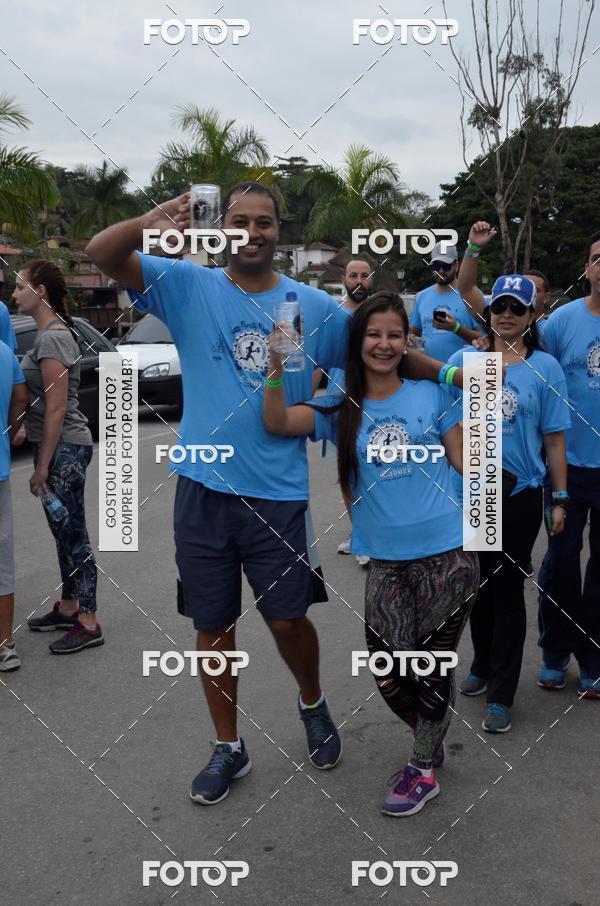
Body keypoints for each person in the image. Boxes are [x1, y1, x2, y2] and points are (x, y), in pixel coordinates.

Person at [86, 182, 463, 806]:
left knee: (288, 619)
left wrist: (455, 371)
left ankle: (312, 703)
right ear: (222, 227)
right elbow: (102, 253)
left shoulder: (310, 306)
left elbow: (383, 353)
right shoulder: (185, 283)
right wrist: (154, 219)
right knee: (212, 626)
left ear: (278, 232)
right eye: (240, 221)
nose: (252, 232)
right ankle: (227, 746)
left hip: (279, 496)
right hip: (201, 489)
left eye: (264, 223)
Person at [263, 291, 480, 817]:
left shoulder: (430, 394)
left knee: (431, 667)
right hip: (384, 558)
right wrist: (274, 367)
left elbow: (465, 459)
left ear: (408, 341)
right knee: (389, 671)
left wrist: (490, 430)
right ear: (358, 342)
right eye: (373, 334)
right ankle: (430, 731)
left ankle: (422, 767)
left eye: (394, 335)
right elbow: (277, 422)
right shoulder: (341, 404)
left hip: (449, 555)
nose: (384, 344)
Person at [449, 275, 570, 732]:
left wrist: (559, 499)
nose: (505, 314)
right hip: (475, 492)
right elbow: (445, 423)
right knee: (476, 586)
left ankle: (502, 692)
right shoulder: (467, 360)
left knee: (507, 587)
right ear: (487, 312)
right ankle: (481, 663)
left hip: (520, 496)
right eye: (498, 306)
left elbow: (554, 441)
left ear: (533, 315)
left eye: (516, 308)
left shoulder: (546, 369)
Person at [12, 260, 102, 654]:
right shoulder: (49, 335)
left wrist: (43, 466)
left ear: (40, 291)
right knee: (62, 533)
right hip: (58, 446)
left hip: (64, 449)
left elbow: (57, 408)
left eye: (19, 287)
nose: (13, 294)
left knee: (74, 535)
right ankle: (68, 607)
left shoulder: (53, 338)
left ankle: (88, 620)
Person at [536, 232, 600, 698]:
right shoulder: (561, 321)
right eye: (598, 258)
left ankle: (593, 657)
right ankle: (556, 651)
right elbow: (536, 376)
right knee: (560, 564)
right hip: (566, 469)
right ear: (587, 267)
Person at [329, 258, 374, 567]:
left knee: (373, 469)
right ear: (344, 278)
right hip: (339, 403)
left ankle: (374, 533)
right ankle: (361, 533)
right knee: (347, 471)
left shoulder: (377, 314)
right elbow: (317, 361)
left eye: (364, 275)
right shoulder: (331, 315)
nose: (358, 280)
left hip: (374, 401)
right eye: (353, 275)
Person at [0, 339, 28, 671]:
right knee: (2, 558)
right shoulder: (5, 352)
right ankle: (5, 644)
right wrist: (8, 433)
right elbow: (21, 398)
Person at [410, 242, 481, 360]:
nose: (441, 271)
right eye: (437, 266)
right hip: (429, 373)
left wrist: (457, 328)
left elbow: (488, 339)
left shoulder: (470, 297)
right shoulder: (421, 297)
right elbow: (414, 332)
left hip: (464, 372)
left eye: (446, 266)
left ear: (456, 266)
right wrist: (411, 338)